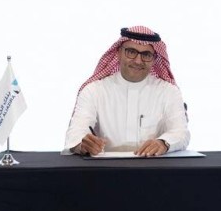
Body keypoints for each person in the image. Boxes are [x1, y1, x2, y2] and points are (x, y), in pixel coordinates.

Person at [63, 26, 190, 157]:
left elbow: (181, 132)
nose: (138, 61)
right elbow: (76, 132)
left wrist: (163, 143)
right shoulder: (94, 91)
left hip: (153, 166)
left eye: (146, 55)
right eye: (131, 52)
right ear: (119, 52)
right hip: (104, 167)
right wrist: (83, 144)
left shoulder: (169, 92)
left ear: (153, 59)